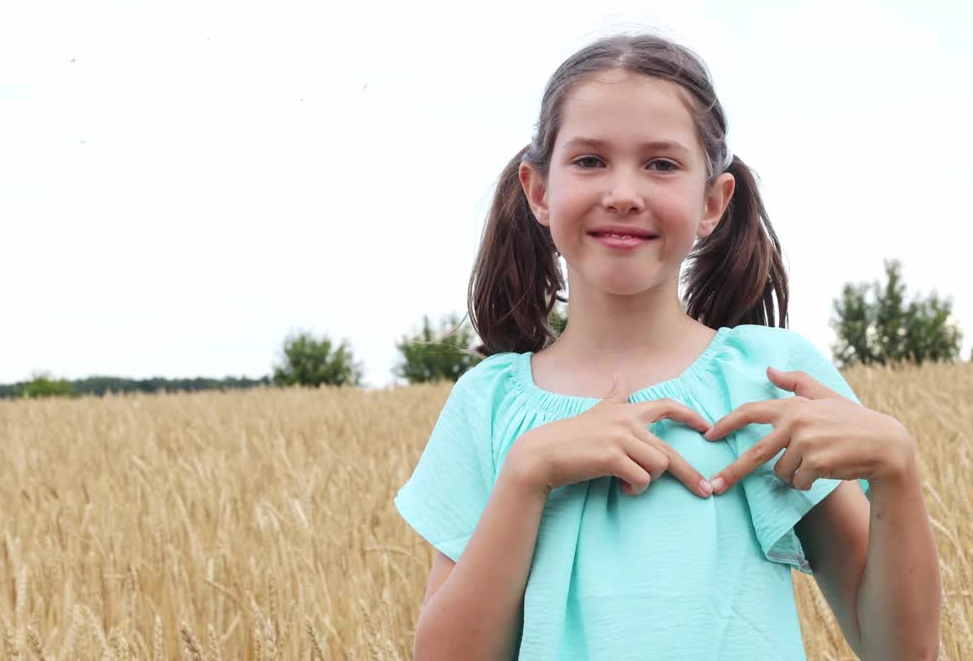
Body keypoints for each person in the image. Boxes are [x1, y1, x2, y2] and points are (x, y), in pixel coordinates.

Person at [394, 32, 941, 660]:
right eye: (590, 160)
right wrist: (528, 472)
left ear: (713, 202)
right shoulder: (487, 406)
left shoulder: (770, 381)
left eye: (661, 164)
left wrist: (897, 469)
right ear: (539, 191)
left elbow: (900, 652)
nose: (623, 192)